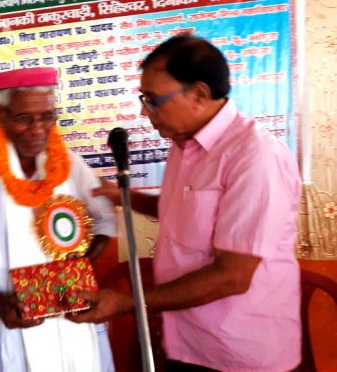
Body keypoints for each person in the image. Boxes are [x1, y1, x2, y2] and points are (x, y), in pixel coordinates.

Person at [72, 34, 302, 371]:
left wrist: (126, 302)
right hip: (187, 341)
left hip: (239, 353)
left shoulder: (253, 156)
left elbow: (232, 276)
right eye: (143, 98)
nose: (144, 111)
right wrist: (122, 197)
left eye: (153, 99)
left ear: (199, 94)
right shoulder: (184, 146)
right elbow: (181, 210)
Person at [0, 67, 118, 372]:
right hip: (8, 322)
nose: (38, 129)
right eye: (24, 118)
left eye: (47, 117)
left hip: (69, 324)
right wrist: (0, 304)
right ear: (2, 114)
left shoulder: (71, 165)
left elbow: (105, 222)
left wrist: (74, 274)